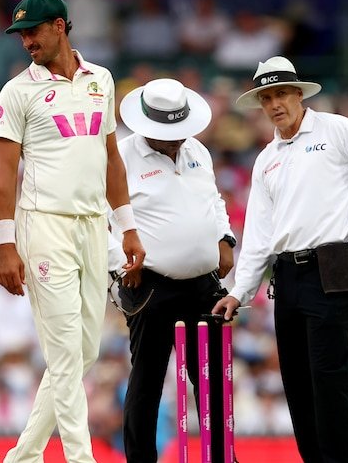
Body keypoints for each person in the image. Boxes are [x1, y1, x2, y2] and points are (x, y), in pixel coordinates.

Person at [213, 56, 348, 463]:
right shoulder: (267, 158)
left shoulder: (336, 129)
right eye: (267, 97)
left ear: (299, 94)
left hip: (332, 267)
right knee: (297, 383)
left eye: (281, 93)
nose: (275, 103)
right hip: (287, 276)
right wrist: (240, 292)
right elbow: (260, 235)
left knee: (328, 378)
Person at [0, 0, 145, 463]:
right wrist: (6, 244)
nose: (26, 43)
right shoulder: (17, 92)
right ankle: (82, 458)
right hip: (44, 228)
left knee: (83, 352)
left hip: (93, 226)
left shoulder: (101, 78)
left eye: (33, 32)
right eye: (21, 35)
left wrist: (128, 227)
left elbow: (111, 159)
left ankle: (24, 454)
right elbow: (3, 174)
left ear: (60, 26)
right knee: (64, 353)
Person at [110, 78, 237, 463]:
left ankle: (221, 458)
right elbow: (97, 220)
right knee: (147, 380)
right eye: (169, 133)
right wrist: (119, 265)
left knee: (212, 381)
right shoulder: (118, 157)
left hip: (203, 283)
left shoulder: (196, 149)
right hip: (149, 283)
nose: (177, 140)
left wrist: (225, 238)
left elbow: (213, 199)